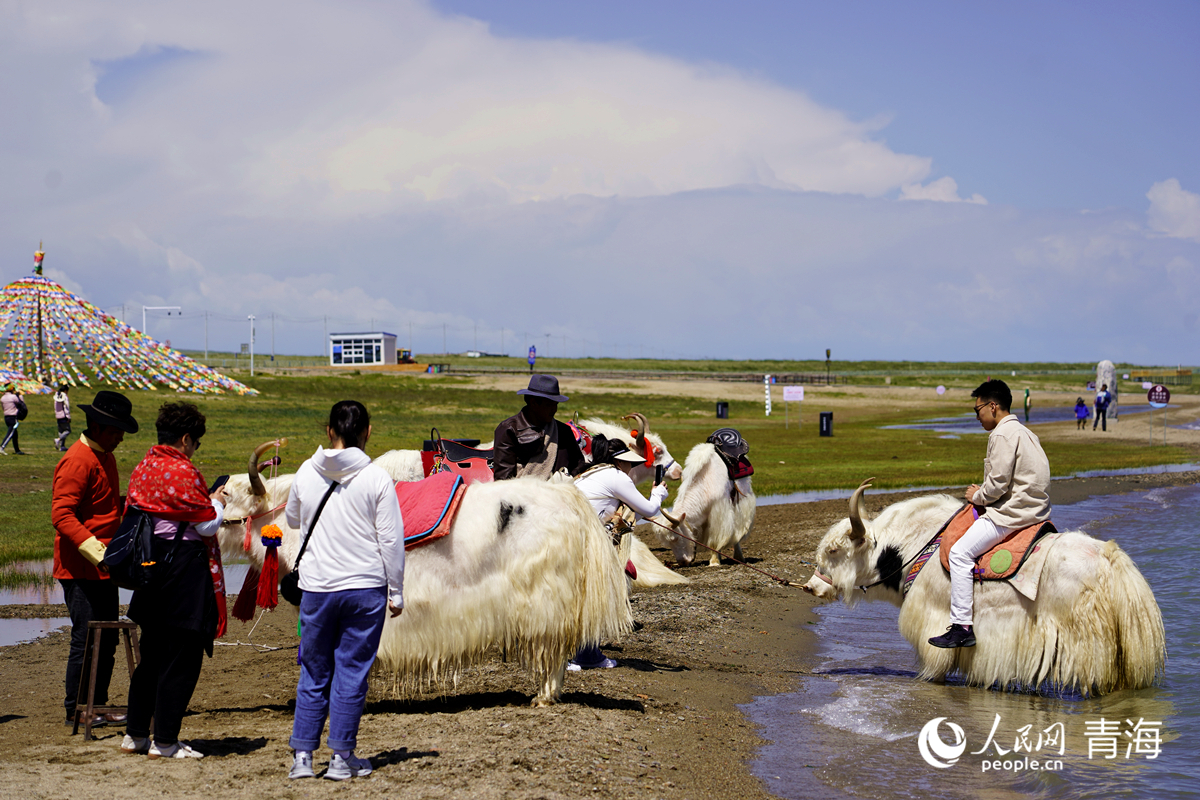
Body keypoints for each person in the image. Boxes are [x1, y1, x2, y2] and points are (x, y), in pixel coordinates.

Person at [286, 401, 404, 781]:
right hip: (365, 589)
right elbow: (391, 540)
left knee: (314, 671)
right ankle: (341, 758)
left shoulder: (306, 470)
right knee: (352, 672)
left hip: (317, 588)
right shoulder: (377, 478)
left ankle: (302, 757)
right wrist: (397, 591)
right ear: (367, 431)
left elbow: (290, 518)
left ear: (328, 431)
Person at [121, 402, 228, 759]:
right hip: (183, 567)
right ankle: (165, 740)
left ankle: (135, 734)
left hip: (150, 566)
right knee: (182, 655)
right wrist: (218, 502)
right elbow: (206, 525)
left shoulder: (143, 467)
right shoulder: (184, 472)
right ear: (185, 439)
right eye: (195, 442)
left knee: (151, 653)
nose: (195, 449)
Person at [929, 380, 1050, 649]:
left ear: (993, 406)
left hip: (1012, 515)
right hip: (1035, 511)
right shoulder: (1026, 432)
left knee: (959, 554)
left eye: (978, 410)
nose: (977, 416)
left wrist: (977, 495)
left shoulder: (1001, 435)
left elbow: (997, 486)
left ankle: (962, 626)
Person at [51, 390, 138, 727]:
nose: (120, 438)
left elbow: (101, 505)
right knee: (86, 637)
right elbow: (62, 514)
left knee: (108, 636)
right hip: (81, 567)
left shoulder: (105, 456)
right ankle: (77, 708)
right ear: (99, 427)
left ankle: (97, 705)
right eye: (117, 431)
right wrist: (98, 552)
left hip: (103, 565)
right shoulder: (77, 460)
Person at [570, 435, 669, 669]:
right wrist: (659, 494)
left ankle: (586, 654)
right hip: (588, 544)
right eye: (630, 464)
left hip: (573, 540)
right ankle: (585, 656)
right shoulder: (614, 475)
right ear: (620, 462)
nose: (631, 470)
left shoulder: (588, 474)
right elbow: (649, 509)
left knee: (583, 597)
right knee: (591, 597)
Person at [492, 375, 586, 480]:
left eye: (556, 404)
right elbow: (503, 478)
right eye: (549, 405)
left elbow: (578, 467)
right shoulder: (509, 430)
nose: (554, 409)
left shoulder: (563, 431)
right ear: (533, 403)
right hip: (520, 494)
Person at [1, 383, 26, 455]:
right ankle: (2, 447)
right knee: (10, 433)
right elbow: (21, 404)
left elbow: (3, 408)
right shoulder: (13, 397)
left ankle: (17, 450)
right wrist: (20, 396)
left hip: (6, 417)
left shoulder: (2, 398)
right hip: (13, 417)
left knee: (14, 434)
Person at [54, 384, 72, 452]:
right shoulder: (64, 396)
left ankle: (62, 446)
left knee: (61, 431)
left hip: (58, 416)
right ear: (65, 390)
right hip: (63, 415)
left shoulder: (56, 395)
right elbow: (66, 407)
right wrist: (68, 417)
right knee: (68, 430)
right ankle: (58, 440)